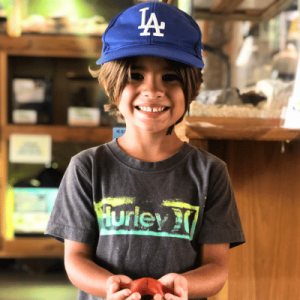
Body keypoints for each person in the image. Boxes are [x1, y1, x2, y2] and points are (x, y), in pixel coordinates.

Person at [45, 2, 245, 300]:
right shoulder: (87, 167)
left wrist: (187, 285)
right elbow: (75, 259)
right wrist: (110, 287)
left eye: (170, 77)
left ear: (191, 87)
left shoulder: (211, 172)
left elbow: (216, 266)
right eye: (135, 75)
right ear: (112, 84)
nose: (152, 90)